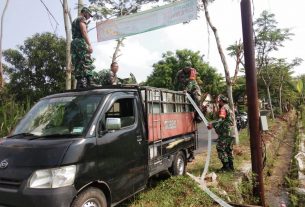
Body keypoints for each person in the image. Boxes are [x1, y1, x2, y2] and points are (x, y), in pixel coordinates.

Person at [71, 7, 98, 88]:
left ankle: (80, 82)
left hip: (74, 42)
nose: (89, 16)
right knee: (86, 60)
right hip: (80, 41)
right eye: (89, 14)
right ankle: (90, 81)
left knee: (78, 62)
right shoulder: (82, 18)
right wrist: (89, 44)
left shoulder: (74, 21)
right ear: (85, 12)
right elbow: (84, 31)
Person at [207, 95, 235, 172]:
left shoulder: (223, 108)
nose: (218, 102)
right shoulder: (229, 107)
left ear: (222, 101)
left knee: (220, 148)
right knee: (228, 149)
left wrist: (212, 125)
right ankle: (231, 166)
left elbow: (221, 119)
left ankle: (226, 167)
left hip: (226, 132)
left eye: (219, 101)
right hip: (231, 132)